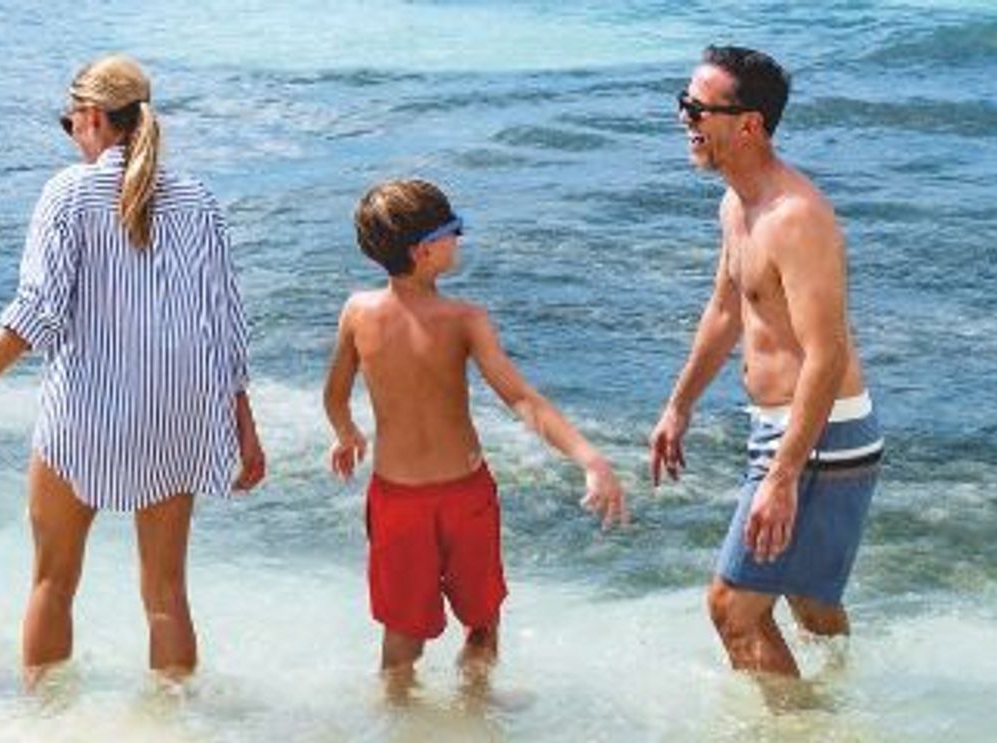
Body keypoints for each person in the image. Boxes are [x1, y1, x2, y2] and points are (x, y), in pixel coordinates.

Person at [0, 54, 266, 691]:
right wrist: (243, 429)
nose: (72, 136)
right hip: (180, 413)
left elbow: (34, 317)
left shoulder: (70, 191)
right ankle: (172, 729)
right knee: (167, 593)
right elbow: (224, 324)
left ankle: (45, 724)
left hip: (88, 414)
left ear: (90, 119)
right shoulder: (200, 201)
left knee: (53, 582)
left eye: (70, 123)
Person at [323, 178, 630, 700]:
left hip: (398, 499)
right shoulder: (464, 319)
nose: (460, 239)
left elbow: (333, 394)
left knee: (405, 638)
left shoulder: (359, 310)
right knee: (477, 625)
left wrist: (345, 432)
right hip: (462, 495)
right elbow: (522, 399)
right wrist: (590, 457)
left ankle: (408, 723)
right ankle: (473, 716)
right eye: (454, 231)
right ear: (424, 251)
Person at [645, 46, 887, 687]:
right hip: (800, 433)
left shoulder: (796, 218)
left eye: (698, 108)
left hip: (817, 439)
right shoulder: (736, 206)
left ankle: (799, 730)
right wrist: (679, 405)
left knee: (734, 610)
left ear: (749, 124)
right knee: (811, 605)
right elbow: (726, 313)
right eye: (683, 103)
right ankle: (849, 708)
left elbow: (826, 353)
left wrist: (782, 475)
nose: (685, 119)